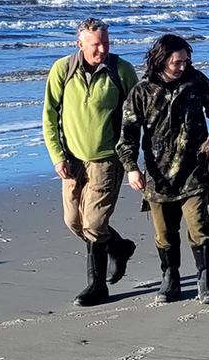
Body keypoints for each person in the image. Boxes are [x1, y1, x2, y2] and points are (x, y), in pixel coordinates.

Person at [116, 33, 209, 304]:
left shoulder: (195, 81)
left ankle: (206, 280)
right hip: (158, 177)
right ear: (161, 60)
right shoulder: (142, 92)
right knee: (164, 233)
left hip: (194, 170)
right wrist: (131, 168)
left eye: (186, 60)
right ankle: (170, 277)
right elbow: (128, 133)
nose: (183, 66)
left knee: (199, 226)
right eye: (177, 62)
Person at [41, 16, 139, 307]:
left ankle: (96, 286)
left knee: (94, 224)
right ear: (80, 43)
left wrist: (131, 159)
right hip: (72, 160)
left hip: (107, 159)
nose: (102, 50)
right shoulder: (62, 69)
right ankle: (119, 247)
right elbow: (49, 116)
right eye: (96, 45)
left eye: (106, 43)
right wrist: (57, 156)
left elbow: (135, 117)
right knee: (73, 222)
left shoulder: (121, 70)